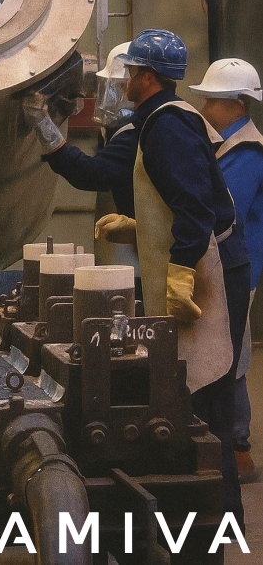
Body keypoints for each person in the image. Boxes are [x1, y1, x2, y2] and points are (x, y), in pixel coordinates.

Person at [96, 30, 250, 529]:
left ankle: (219, 512)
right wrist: (141, 226)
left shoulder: (167, 125)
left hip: (210, 269)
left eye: (129, 72)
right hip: (204, 260)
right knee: (194, 389)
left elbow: (197, 206)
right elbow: (184, 199)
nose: (123, 81)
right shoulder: (162, 119)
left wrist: (181, 271)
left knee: (206, 393)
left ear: (146, 76)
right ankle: (209, 509)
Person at [189, 57, 263, 482]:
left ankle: (238, 449)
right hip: (224, 266)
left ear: (239, 103)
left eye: (213, 101)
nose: (205, 109)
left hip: (236, 270)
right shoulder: (226, 145)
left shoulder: (247, 151)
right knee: (226, 352)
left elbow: (222, 208)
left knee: (231, 357)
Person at [22, 42, 137, 218]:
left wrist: (42, 122)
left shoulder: (138, 131)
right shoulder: (145, 122)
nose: (109, 94)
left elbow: (90, 174)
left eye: (118, 86)